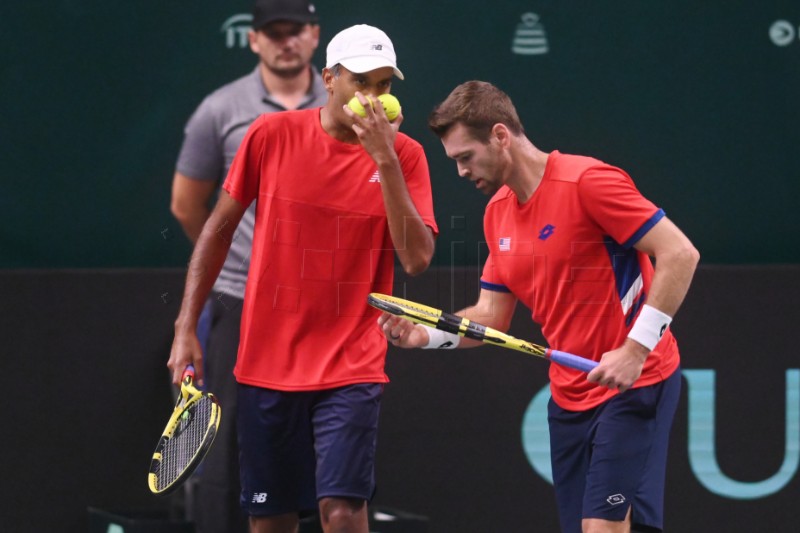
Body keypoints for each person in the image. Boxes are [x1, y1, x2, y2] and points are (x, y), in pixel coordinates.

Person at [380, 81, 699, 533]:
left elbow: (680, 254)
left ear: (500, 136)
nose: (460, 172)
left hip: (635, 383)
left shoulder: (588, 181)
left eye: (464, 157)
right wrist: (426, 336)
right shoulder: (497, 214)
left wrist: (634, 350)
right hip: (569, 397)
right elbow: (491, 315)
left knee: (601, 528)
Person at [168, 23, 438, 533]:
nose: (374, 98)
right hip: (267, 363)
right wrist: (187, 326)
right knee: (271, 520)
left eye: (384, 85)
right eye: (362, 81)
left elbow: (417, 259)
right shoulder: (271, 135)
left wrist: (384, 159)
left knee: (342, 511)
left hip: (352, 364)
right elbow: (216, 232)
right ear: (329, 79)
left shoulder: (405, 156)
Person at [169, 1, 326, 531]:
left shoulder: (343, 103)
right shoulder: (221, 109)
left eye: (296, 31)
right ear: (253, 40)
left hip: (325, 305)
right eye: (273, 32)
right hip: (242, 301)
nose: (286, 42)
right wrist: (237, 262)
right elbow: (189, 208)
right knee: (231, 438)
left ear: (314, 35)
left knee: (326, 439)